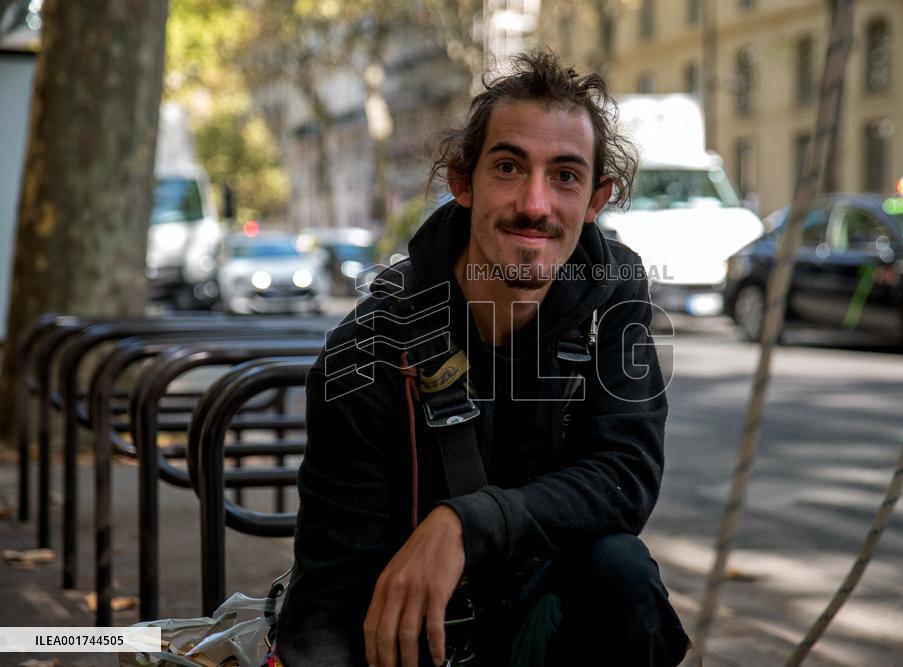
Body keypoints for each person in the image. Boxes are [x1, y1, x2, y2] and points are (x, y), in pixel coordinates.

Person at [275, 49, 691, 667]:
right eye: (508, 167)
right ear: (463, 183)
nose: (535, 204)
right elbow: (331, 598)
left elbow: (625, 475)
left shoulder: (614, 293)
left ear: (597, 199)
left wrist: (466, 524)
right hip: (417, 640)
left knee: (621, 573)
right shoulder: (364, 352)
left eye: (566, 176)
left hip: (548, 624)